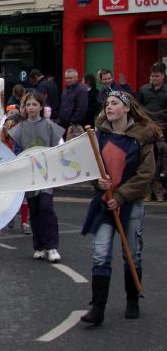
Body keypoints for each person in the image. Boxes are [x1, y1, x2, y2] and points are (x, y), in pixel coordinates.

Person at [80, 91, 162, 325]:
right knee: (100, 254)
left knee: (132, 254)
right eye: (107, 104)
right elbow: (90, 167)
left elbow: (146, 174)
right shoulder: (99, 135)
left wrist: (121, 195)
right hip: (104, 203)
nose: (109, 107)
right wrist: (98, 182)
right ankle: (97, 308)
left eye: (114, 103)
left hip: (130, 204)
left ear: (126, 108)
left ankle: (132, 300)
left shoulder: (141, 137)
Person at [8, 92, 65, 263]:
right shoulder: (20, 129)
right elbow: (17, 152)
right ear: (24, 108)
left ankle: (52, 246)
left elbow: (57, 149)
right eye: (28, 105)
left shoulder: (50, 126)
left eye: (34, 104)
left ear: (41, 106)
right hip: (29, 174)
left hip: (47, 174)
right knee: (34, 210)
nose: (31, 107)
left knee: (46, 207)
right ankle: (39, 246)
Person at [137, 61, 167, 133]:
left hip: (163, 126)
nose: (154, 78)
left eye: (157, 76)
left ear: (163, 76)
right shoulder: (143, 89)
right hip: (146, 125)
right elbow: (138, 107)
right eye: (152, 76)